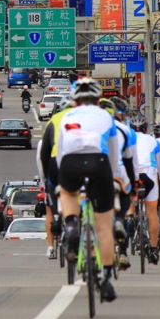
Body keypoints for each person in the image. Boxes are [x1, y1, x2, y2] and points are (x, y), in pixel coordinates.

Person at [56, 78, 121, 302]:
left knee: (67, 192)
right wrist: (109, 178)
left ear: (75, 101)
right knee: (103, 227)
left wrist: (63, 179)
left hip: (70, 164)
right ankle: (104, 278)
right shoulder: (106, 117)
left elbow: (62, 153)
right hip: (99, 162)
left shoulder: (67, 117)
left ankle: (72, 223)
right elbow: (114, 154)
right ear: (98, 99)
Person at [37, 93, 74, 259]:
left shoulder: (53, 122)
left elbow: (42, 157)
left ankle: (51, 247)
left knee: (50, 212)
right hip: (82, 163)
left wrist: (45, 180)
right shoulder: (85, 118)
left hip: (55, 165)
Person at [129, 116, 160, 266]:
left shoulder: (127, 139)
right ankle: (153, 248)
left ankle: (130, 216)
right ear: (146, 129)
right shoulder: (154, 141)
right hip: (150, 173)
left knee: (130, 197)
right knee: (152, 212)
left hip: (133, 174)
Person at [110, 96, 140, 270]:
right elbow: (131, 161)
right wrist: (134, 184)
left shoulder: (93, 127)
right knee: (121, 212)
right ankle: (122, 252)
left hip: (95, 173)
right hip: (120, 175)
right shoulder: (127, 131)